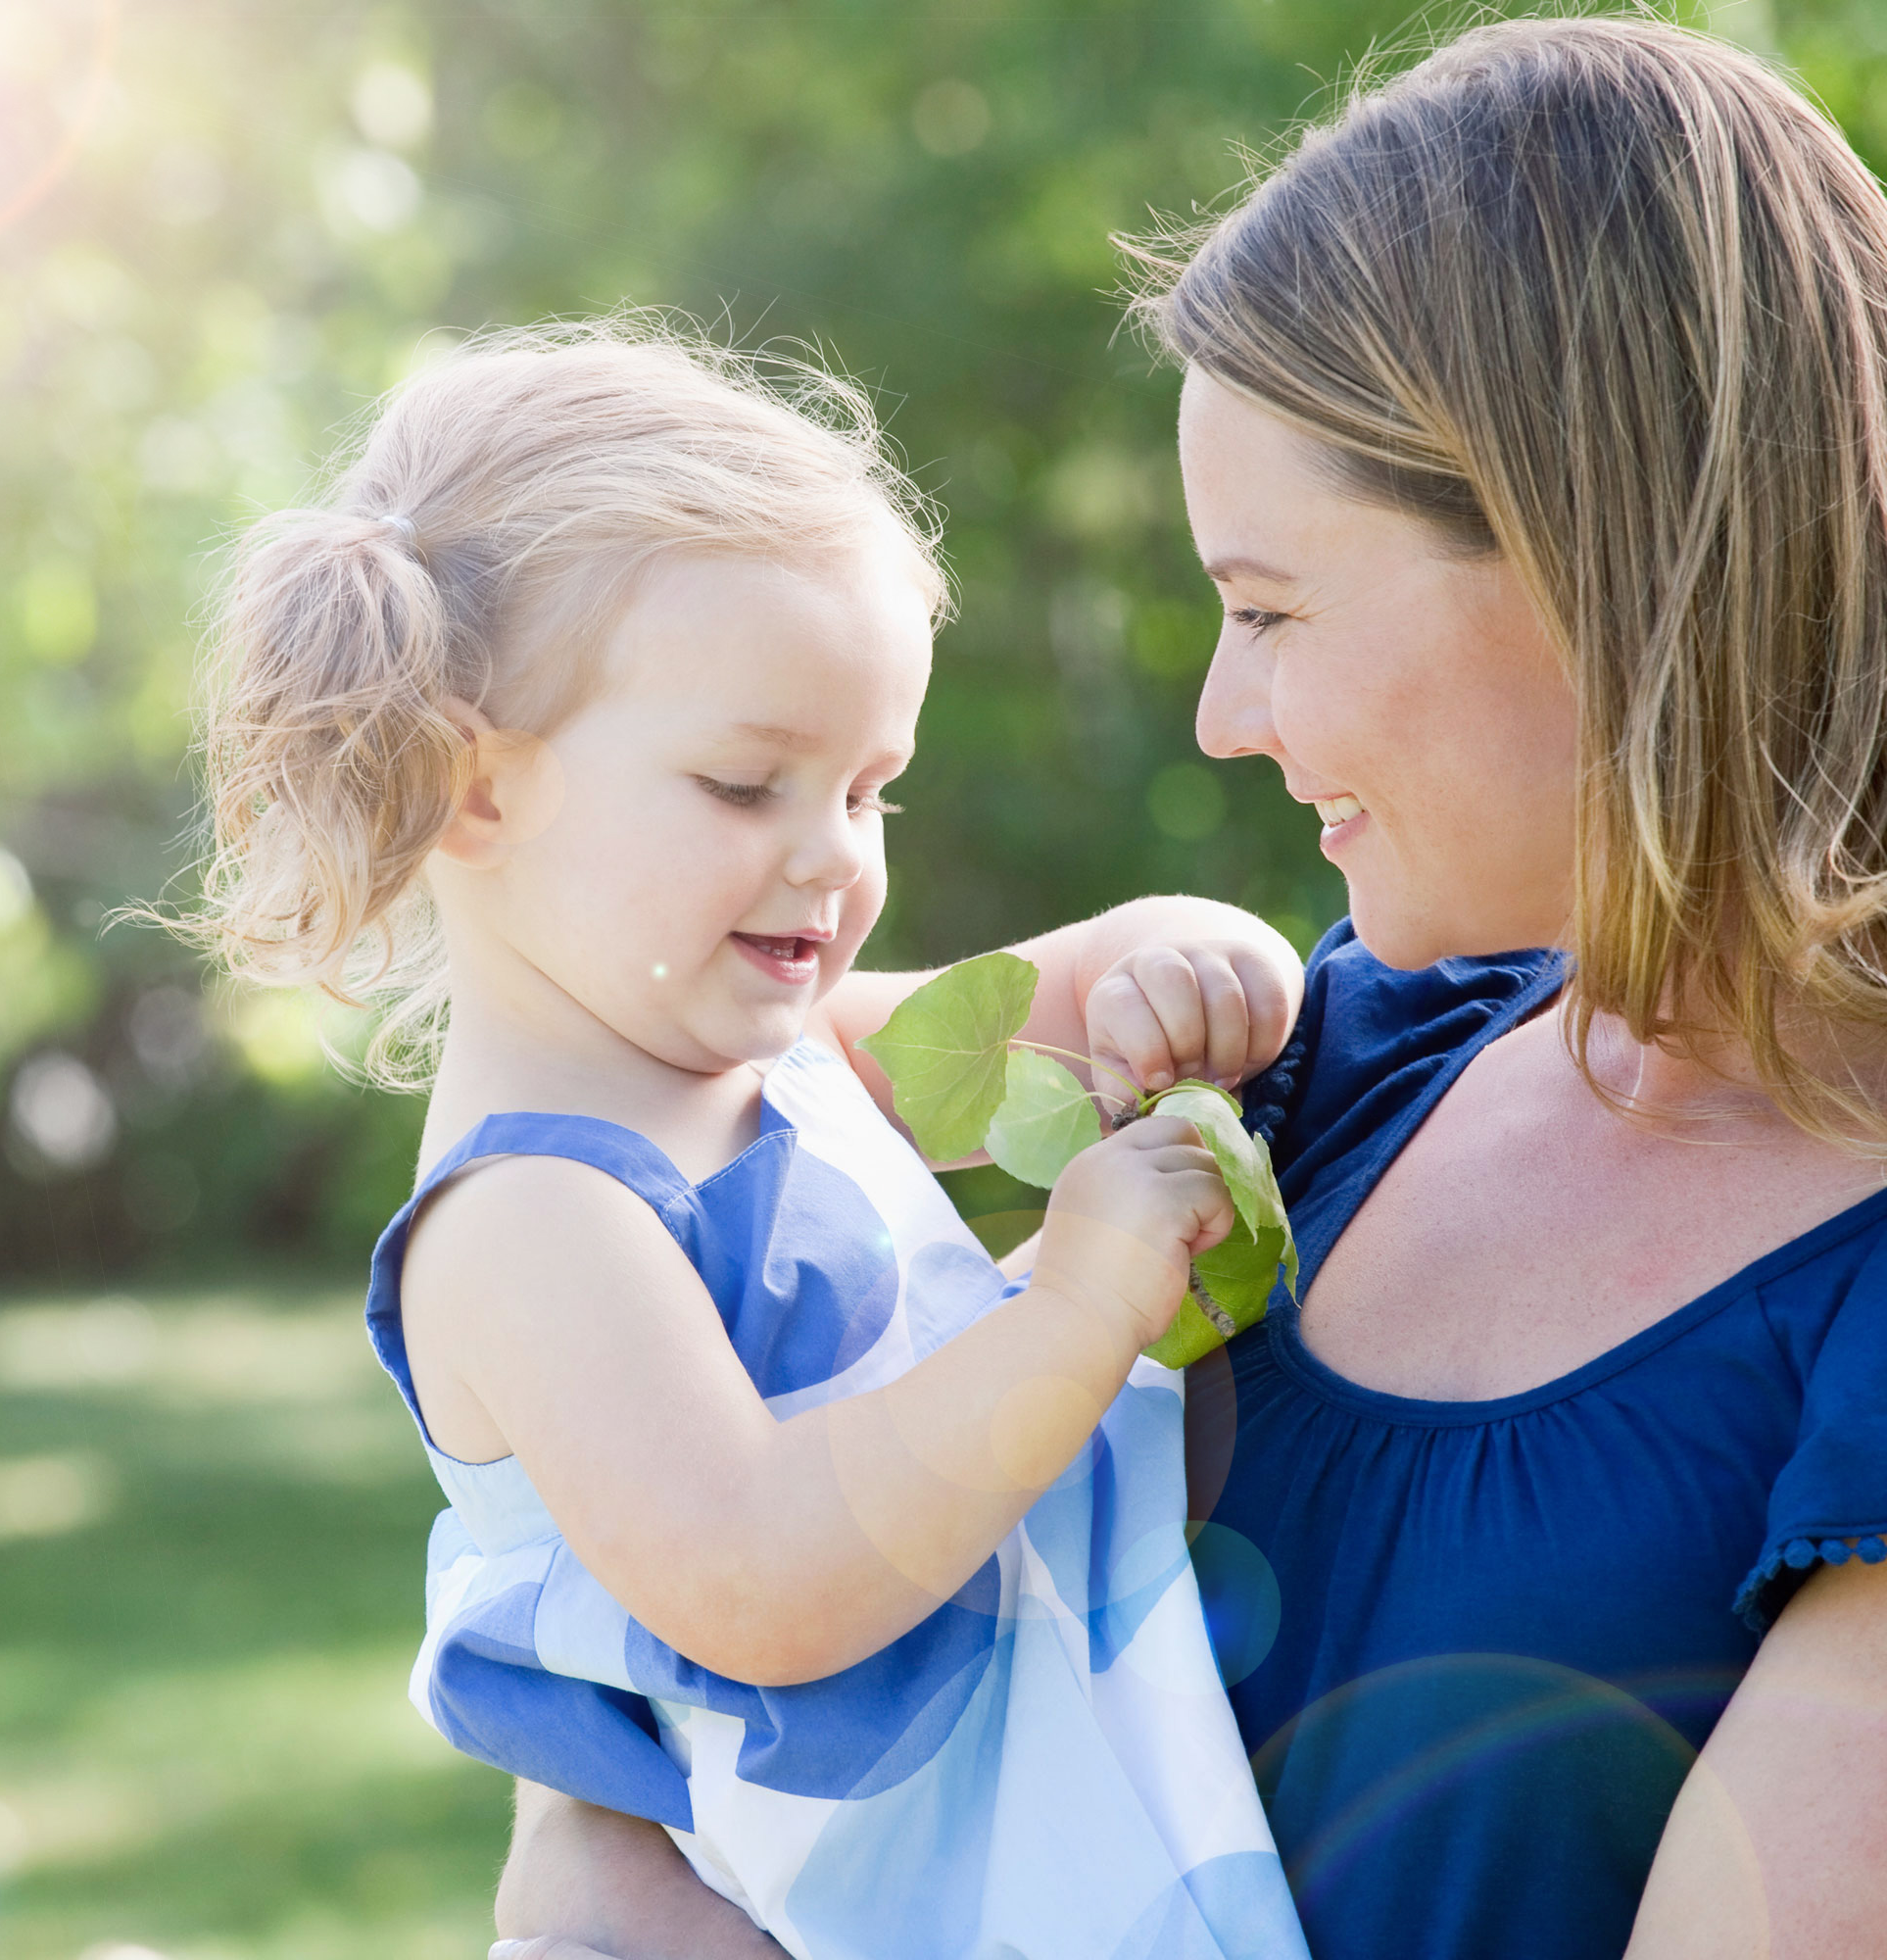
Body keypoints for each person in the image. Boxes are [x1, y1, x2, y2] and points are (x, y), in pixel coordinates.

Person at [493, 21, 1887, 1960]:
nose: (1224, 715)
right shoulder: (1325, 1063)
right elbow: (625, 1800)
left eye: (1271, 609)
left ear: (1602, 567)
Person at [184, 321, 1316, 1958]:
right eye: (745, 787)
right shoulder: (532, 1223)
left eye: (871, 791)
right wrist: (1074, 1309)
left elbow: (1080, 986)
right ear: (475, 793)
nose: (836, 860)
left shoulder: (778, 1062)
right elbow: (767, 1574)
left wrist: (1199, 964)